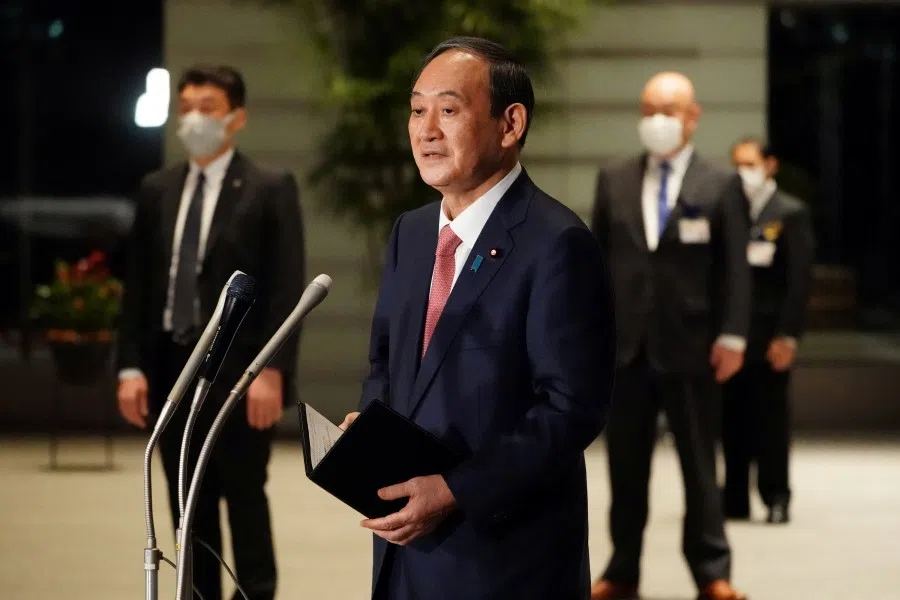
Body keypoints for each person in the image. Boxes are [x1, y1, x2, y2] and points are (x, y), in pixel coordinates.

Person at [339, 37, 616, 600]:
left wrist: (456, 490)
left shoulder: (557, 243)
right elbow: (384, 361)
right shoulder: (411, 233)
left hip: (502, 558)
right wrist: (371, 432)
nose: (426, 130)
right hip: (406, 549)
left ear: (510, 123)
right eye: (417, 110)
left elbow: (570, 410)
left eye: (448, 110)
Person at [116, 65, 305, 600]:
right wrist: (130, 366)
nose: (195, 118)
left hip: (240, 374)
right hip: (171, 369)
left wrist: (272, 369)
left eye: (208, 107)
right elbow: (140, 288)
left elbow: (286, 287)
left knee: (245, 500)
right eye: (188, 107)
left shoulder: (269, 188)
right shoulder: (157, 189)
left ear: (236, 118)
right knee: (186, 510)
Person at [589, 72, 751, 600]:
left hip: (695, 348)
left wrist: (733, 335)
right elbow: (596, 265)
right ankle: (622, 569)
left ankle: (712, 571)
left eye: (669, 109)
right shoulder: (612, 179)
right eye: (648, 108)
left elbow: (736, 270)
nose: (657, 120)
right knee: (625, 468)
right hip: (626, 349)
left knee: (702, 467)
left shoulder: (720, 184)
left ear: (693, 116)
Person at [722, 136, 814, 525]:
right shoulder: (730, 210)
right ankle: (735, 497)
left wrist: (788, 335)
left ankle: (777, 495)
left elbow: (799, 280)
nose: (744, 172)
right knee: (732, 417)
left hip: (771, 332)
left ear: (770, 165)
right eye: (737, 164)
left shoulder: (790, 212)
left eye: (751, 163)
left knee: (772, 419)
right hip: (734, 334)